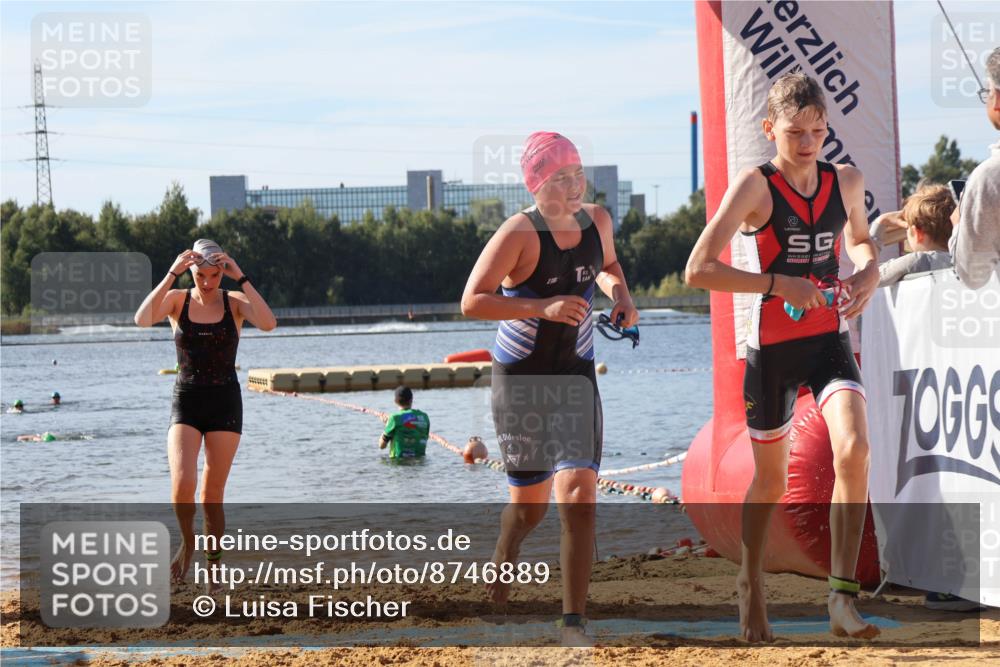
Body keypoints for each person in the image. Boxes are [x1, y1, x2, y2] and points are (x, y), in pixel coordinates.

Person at [685, 73, 881, 641]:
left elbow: (860, 239)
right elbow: (698, 269)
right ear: (770, 128)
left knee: (855, 449)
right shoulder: (755, 186)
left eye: (818, 131)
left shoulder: (846, 179)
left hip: (827, 340)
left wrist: (868, 270)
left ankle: (841, 598)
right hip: (771, 348)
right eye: (795, 133)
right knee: (770, 482)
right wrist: (776, 283)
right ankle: (750, 583)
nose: (808, 143)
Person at [461, 131, 639, 645]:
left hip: (575, 375)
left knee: (579, 494)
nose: (574, 185)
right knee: (529, 509)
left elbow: (607, 266)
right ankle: (506, 550)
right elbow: (472, 301)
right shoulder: (519, 233)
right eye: (561, 177)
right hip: (521, 381)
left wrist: (621, 295)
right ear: (536, 185)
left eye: (578, 173)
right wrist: (542, 307)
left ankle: (572, 624)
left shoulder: (598, 221)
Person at [134, 238, 276, 588]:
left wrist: (241, 276)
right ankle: (187, 543)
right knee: (183, 484)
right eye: (201, 276)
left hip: (225, 402)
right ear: (191, 272)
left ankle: (213, 569)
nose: (208, 282)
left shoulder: (235, 301)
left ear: (222, 273)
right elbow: (142, 319)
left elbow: (269, 323)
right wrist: (171, 273)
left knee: (212, 495)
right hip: (187, 399)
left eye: (215, 275)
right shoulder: (177, 299)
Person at [949, 47, 1000, 289]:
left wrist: (958, 225)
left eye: (987, 91)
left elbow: (973, 275)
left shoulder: (990, 178)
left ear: (997, 99)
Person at [869, 184, 955, 287]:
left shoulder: (917, 261)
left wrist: (880, 223)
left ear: (917, 233)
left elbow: (862, 280)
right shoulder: (966, 261)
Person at [379, 386, 430, 459]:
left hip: (398, 462)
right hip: (420, 461)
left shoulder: (394, 418)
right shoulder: (424, 417)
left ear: (395, 401)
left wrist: (387, 425)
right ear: (411, 400)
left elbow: (382, 446)